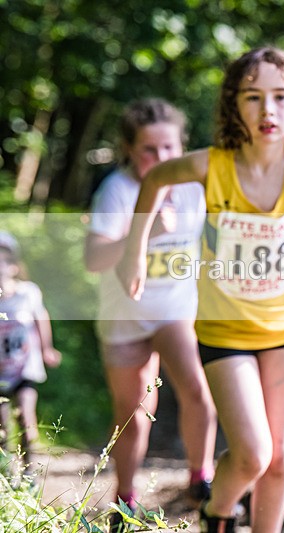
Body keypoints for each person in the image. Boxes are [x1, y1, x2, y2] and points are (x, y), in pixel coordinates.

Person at [116, 47, 284, 533]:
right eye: (253, 97)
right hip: (225, 331)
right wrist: (134, 248)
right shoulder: (213, 165)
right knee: (254, 453)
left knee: (281, 460)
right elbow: (154, 179)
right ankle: (217, 511)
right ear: (235, 105)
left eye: (281, 97)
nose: (268, 110)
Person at [83, 98, 218, 523]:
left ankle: (202, 479)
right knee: (135, 414)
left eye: (169, 149)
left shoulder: (195, 188)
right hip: (125, 315)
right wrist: (146, 232)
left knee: (198, 388)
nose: (161, 158)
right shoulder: (116, 191)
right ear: (128, 149)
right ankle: (125, 500)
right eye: (149, 150)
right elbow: (94, 258)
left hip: (175, 310)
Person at [0, 231, 61, 466]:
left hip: (25, 367)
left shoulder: (29, 293)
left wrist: (47, 348)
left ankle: (29, 471)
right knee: (3, 425)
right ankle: (6, 472)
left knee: (26, 417)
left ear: (14, 266)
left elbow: (41, 318)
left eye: (4, 261)